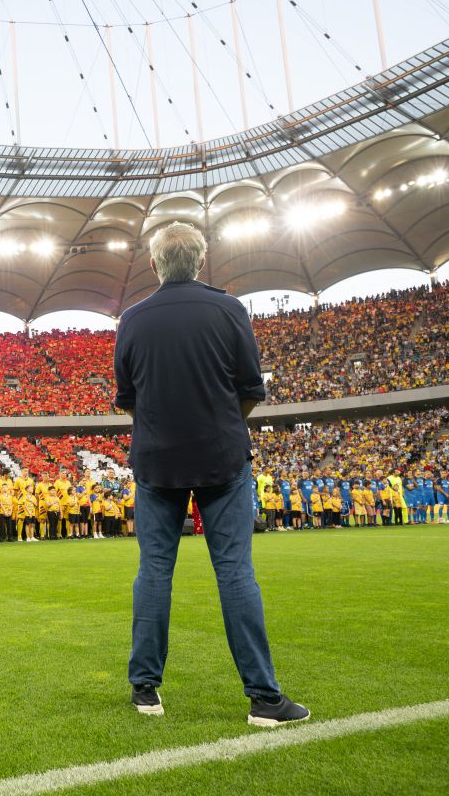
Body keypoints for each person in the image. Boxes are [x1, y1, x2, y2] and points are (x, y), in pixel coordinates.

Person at [113, 221, 308, 727]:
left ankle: (145, 691)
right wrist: (219, 426)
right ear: (201, 262)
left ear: (154, 265)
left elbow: (129, 399)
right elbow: (250, 388)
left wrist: (162, 431)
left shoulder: (132, 320)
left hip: (156, 461)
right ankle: (264, 698)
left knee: (154, 571)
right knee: (236, 572)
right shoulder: (228, 309)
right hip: (222, 459)